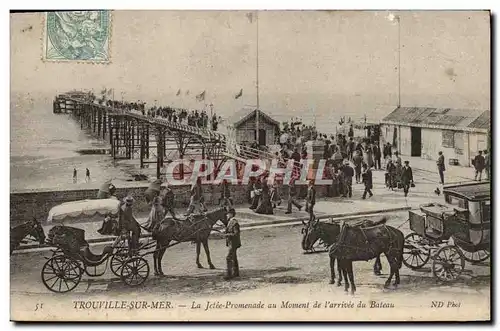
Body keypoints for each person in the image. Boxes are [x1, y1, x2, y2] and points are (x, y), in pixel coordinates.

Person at [223, 208, 241, 280]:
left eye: (227, 214)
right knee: (234, 257)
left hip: (233, 243)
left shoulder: (234, 222)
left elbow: (236, 234)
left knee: (228, 258)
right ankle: (236, 273)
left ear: (231, 214)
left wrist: (227, 235)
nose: (227, 215)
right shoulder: (230, 222)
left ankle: (229, 274)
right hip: (231, 242)